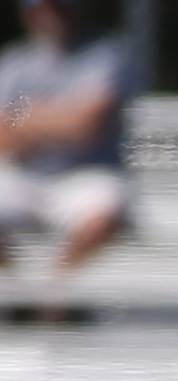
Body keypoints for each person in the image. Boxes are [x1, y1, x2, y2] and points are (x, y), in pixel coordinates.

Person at [0, 0, 131, 276]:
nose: (51, 15)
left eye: (59, 7)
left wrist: (29, 117)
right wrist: (58, 118)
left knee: (105, 213)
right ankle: (18, 291)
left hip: (87, 174)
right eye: (43, 8)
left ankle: (54, 293)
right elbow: (4, 133)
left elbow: (87, 125)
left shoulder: (104, 54)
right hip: (25, 174)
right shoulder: (15, 62)